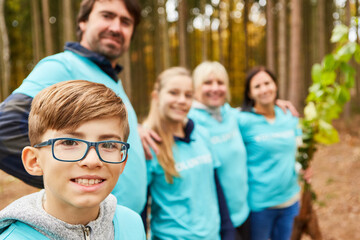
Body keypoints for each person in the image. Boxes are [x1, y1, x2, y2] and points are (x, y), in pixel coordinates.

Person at [0, 0, 148, 214]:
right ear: (83, 22)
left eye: (126, 22)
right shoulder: (62, 67)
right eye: (107, 16)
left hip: (125, 223)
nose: (116, 27)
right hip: (91, 223)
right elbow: (5, 130)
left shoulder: (111, 79)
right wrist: (69, 187)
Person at [0, 80, 146, 239]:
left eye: (109, 144)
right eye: (69, 143)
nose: (92, 160)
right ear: (34, 161)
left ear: (122, 161)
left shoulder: (132, 223)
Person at [143, 67, 233, 239]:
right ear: (156, 96)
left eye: (188, 95)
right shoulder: (148, 146)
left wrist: (228, 232)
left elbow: (216, 189)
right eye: (174, 93)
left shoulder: (201, 133)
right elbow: (139, 208)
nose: (182, 100)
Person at [188, 61, 250, 240]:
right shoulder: (188, 120)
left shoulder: (231, 115)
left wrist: (276, 103)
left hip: (244, 212)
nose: (215, 88)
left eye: (220, 83)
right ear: (195, 88)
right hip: (217, 221)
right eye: (207, 83)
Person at [238, 66, 302, 240]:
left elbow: (300, 148)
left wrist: (305, 167)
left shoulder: (289, 115)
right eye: (257, 86)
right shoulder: (242, 120)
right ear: (250, 93)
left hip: (291, 201)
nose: (264, 89)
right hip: (260, 206)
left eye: (267, 83)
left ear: (276, 85)